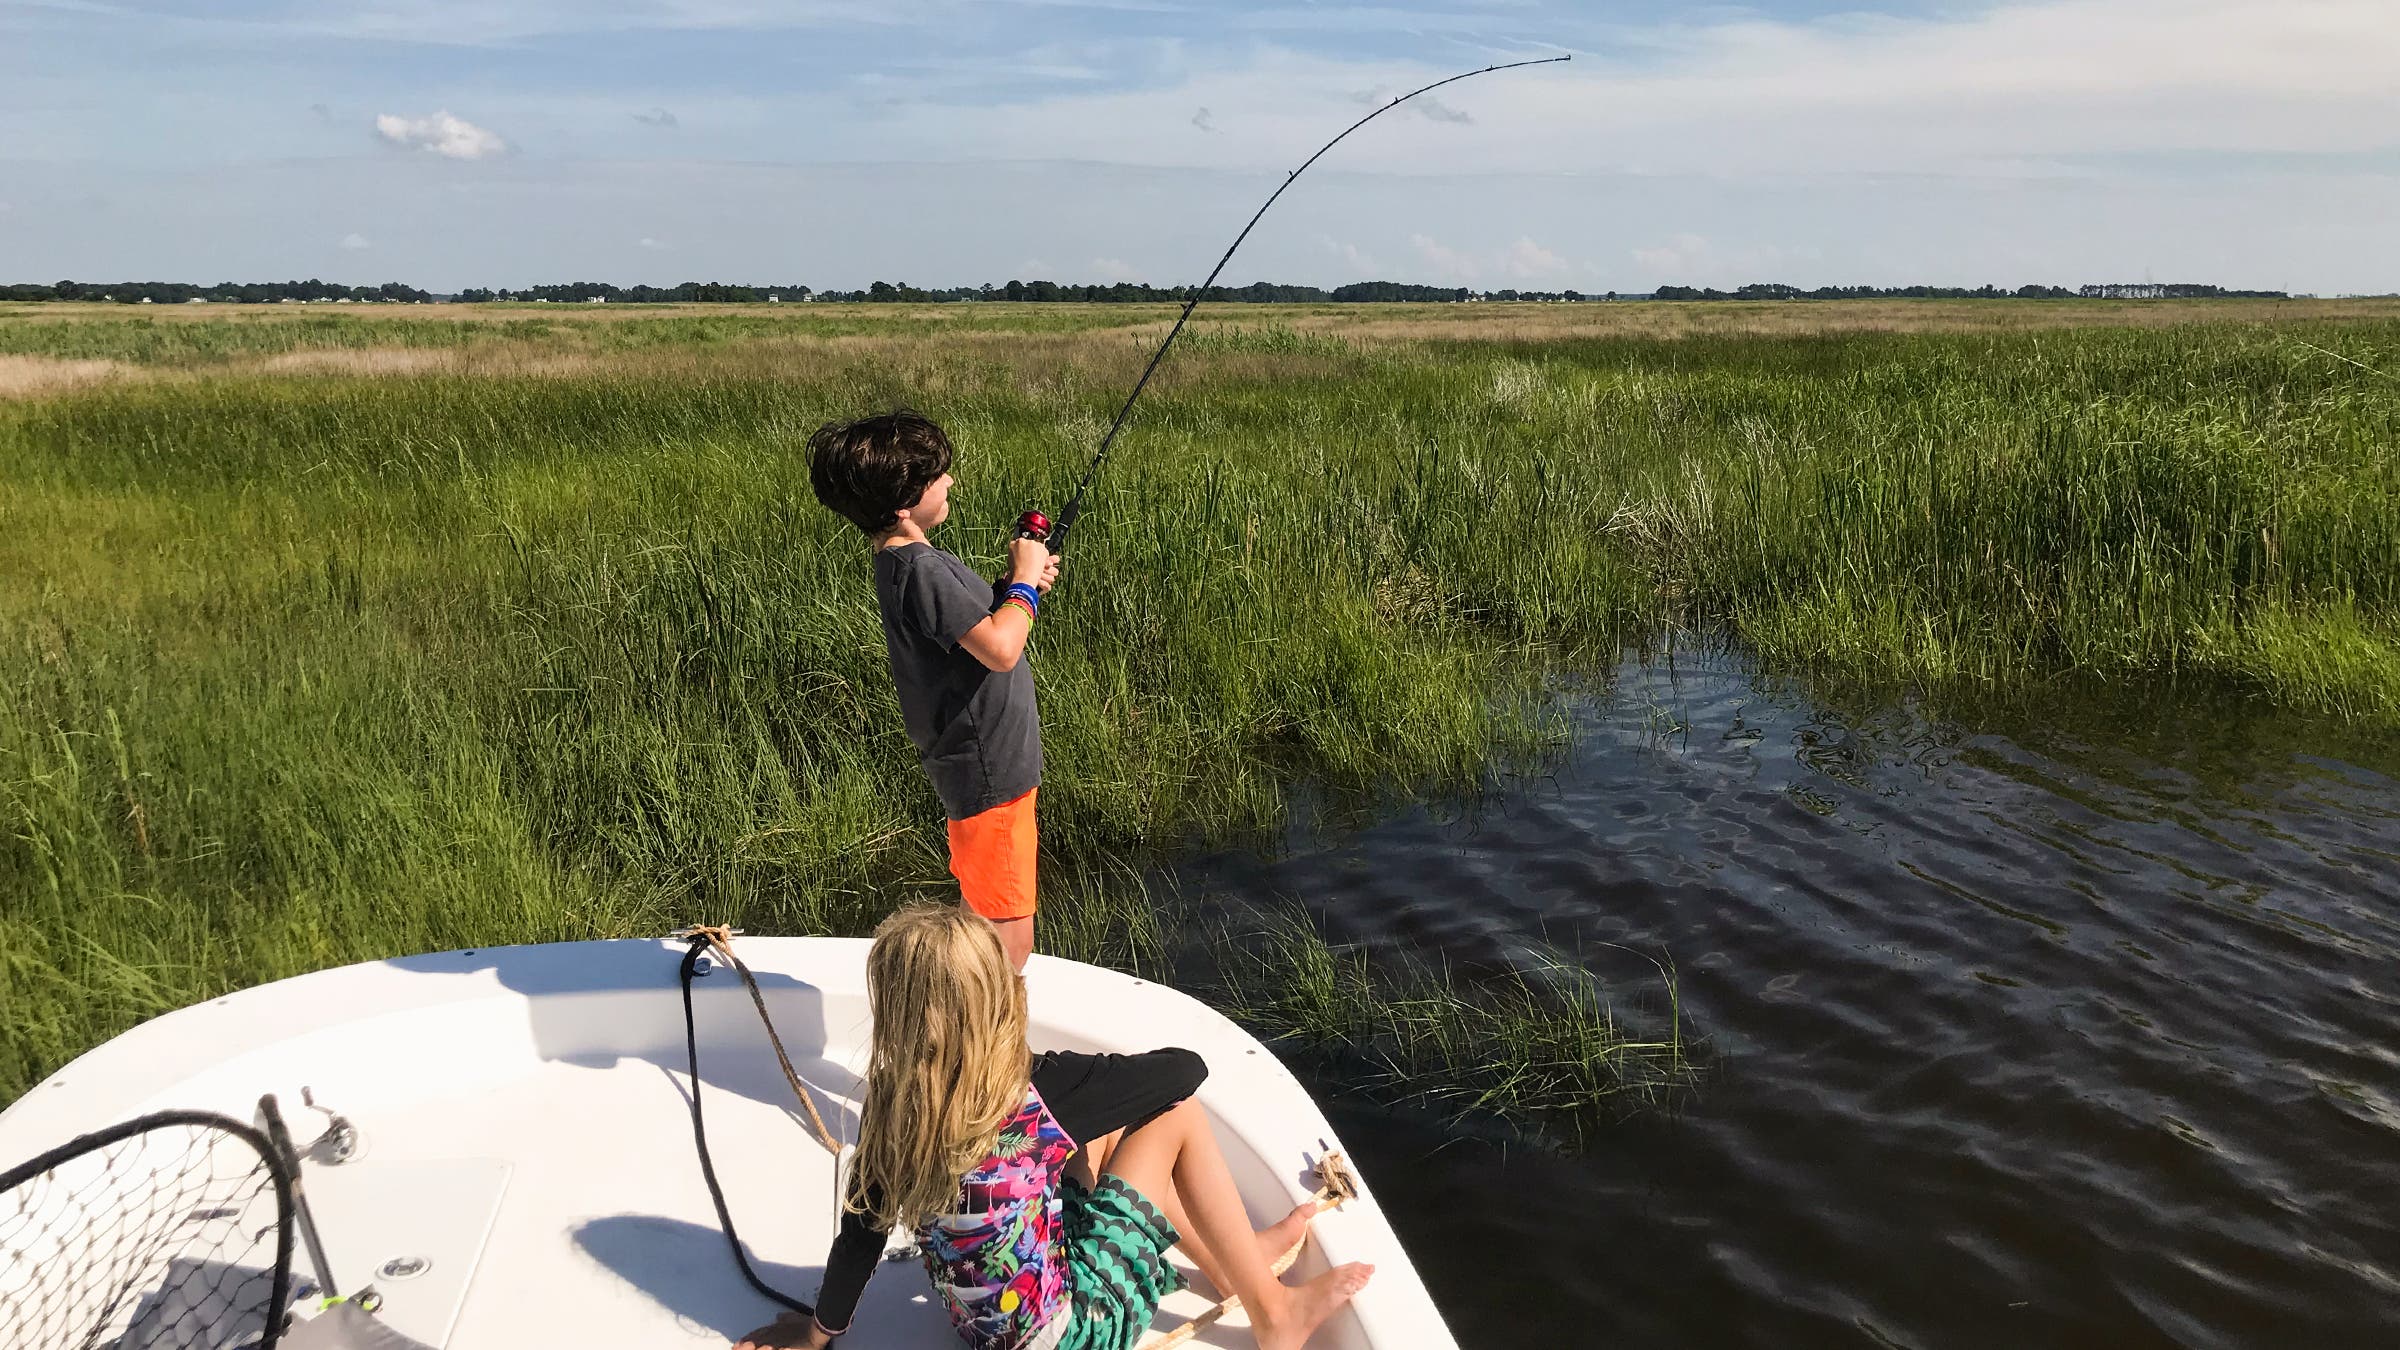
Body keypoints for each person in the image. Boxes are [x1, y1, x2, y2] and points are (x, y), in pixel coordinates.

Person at [732, 907, 1373, 1350]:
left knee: (1092, 1141)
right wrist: (1079, 1073)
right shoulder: (1035, 1093)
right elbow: (1185, 1071)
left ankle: (1234, 1263)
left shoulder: (893, 1112)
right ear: (1000, 1000)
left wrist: (818, 1333)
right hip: (1076, 1333)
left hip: (984, 1330)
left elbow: (860, 1235)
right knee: (1177, 1117)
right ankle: (1273, 1311)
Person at [809, 411, 1058, 971]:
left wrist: (1014, 591)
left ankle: (965, 1037)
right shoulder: (920, 567)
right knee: (1007, 929)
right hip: (991, 769)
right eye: (938, 475)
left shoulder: (907, 563)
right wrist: (1022, 582)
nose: (950, 483)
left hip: (979, 764)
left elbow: (968, 632)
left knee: (983, 909)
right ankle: (987, 1044)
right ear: (903, 502)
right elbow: (1000, 649)